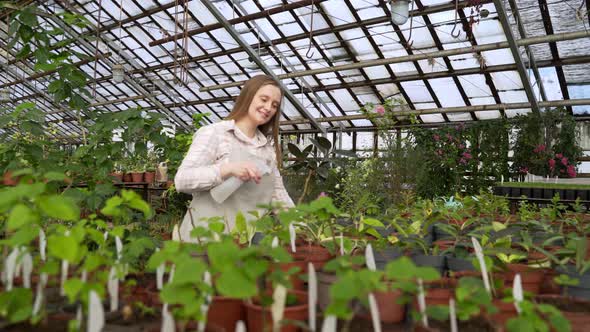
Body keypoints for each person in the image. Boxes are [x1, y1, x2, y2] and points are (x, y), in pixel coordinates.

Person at [174, 75, 295, 242]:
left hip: (243, 243)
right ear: (248, 96)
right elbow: (182, 181)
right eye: (264, 99)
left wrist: (301, 226)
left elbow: (278, 193)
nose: (268, 108)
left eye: (274, 105)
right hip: (203, 238)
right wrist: (227, 169)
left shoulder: (267, 151)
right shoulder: (215, 133)